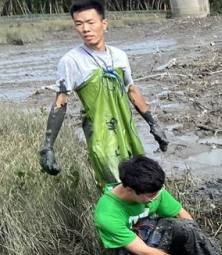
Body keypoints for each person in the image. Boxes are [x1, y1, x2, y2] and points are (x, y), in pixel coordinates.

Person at [39, 0, 168, 189]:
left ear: (104, 24)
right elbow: (61, 101)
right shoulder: (71, 61)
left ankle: (147, 218)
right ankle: (115, 218)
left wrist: (153, 124)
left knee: (143, 181)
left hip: (127, 129)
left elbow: (131, 90)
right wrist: (47, 147)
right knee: (115, 185)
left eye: (90, 23)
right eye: (79, 24)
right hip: (100, 133)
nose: (85, 29)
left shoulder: (119, 55)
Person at [94, 155, 222, 255]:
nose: (156, 197)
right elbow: (145, 252)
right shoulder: (107, 214)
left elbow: (184, 218)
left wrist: (199, 242)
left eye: (158, 192)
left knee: (186, 228)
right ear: (130, 190)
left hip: (152, 236)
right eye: (151, 196)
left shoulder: (152, 190)